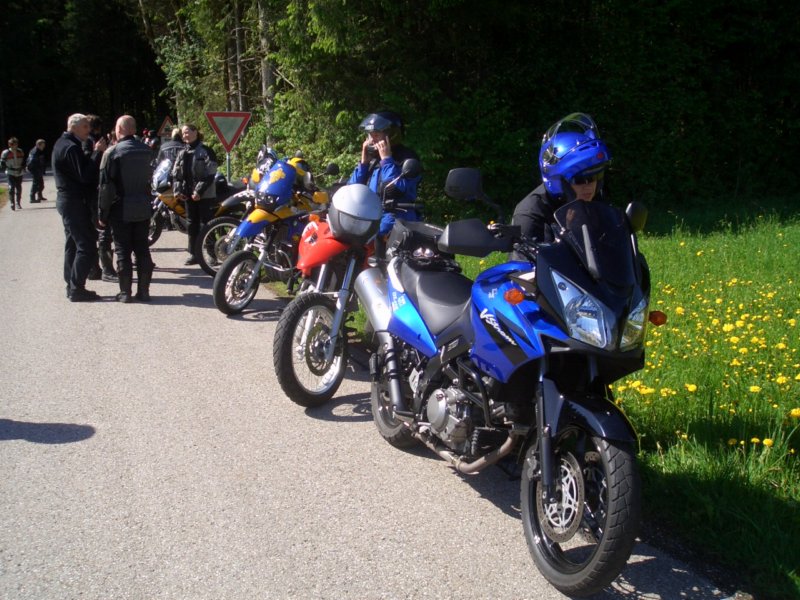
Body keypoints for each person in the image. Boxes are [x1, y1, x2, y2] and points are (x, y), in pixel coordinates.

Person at [511, 112, 611, 252]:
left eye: (596, 176)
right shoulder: (530, 214)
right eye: (580, 180)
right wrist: (569, 232)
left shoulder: (595, 201)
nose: (589, 185)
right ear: (558, 181)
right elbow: (523, 263)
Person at [98, 115, 155, 303]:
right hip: (143, 206)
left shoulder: (112, 153)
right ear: (134, 129)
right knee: (142, 248)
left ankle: (125, 293)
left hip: (121, 208)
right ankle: (144, 292)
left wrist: (102, 214)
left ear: (119, 129)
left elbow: (105, 188)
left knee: (123, 250)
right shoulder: (147, 150)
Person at [52, 113, 106, 302]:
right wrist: (97, 153)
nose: (88, 130)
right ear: (73, 127)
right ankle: (76, 288)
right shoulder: (70, 147)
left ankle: (72, 284)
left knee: (73, 244)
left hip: (68, 201)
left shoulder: (63, 143)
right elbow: (85, 175)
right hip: (73, 201)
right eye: (85, 127)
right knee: (86, 244)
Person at [347, 111, 422, 237]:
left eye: (376, 135)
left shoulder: (407, 158)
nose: (371, 140)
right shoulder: (373, 159)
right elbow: (351, 191)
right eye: (370, 135)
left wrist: (386, 160)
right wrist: (363, 164)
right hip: (370, 217)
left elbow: (394, 190)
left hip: (396, 222)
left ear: (391, 135)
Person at [171, 123, 218, 265]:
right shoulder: (182, 152)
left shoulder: (206, 151)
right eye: (183, 133)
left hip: (205, 195)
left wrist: (199, 191)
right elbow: (176, 174)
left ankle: (212, 254)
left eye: (187, 132)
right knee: (191, 225)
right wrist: (178, 190)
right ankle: (194, 254)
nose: (184, 135)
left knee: (206, 224)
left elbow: (210, 173)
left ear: (195, 132)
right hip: (188, 195)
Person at [1, 137, 26, 210]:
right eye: (13, 144)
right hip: (10, 172)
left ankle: (18, 202)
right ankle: (12, 203)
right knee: (11, 187)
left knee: (18, 187)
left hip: (19, 172)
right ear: (10, 145)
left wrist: (24, 167)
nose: (15, 146)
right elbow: (2, 162)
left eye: (16, 144)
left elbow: (23, 161)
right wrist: (3, 166)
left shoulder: (20, 151)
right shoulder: (5, 153)